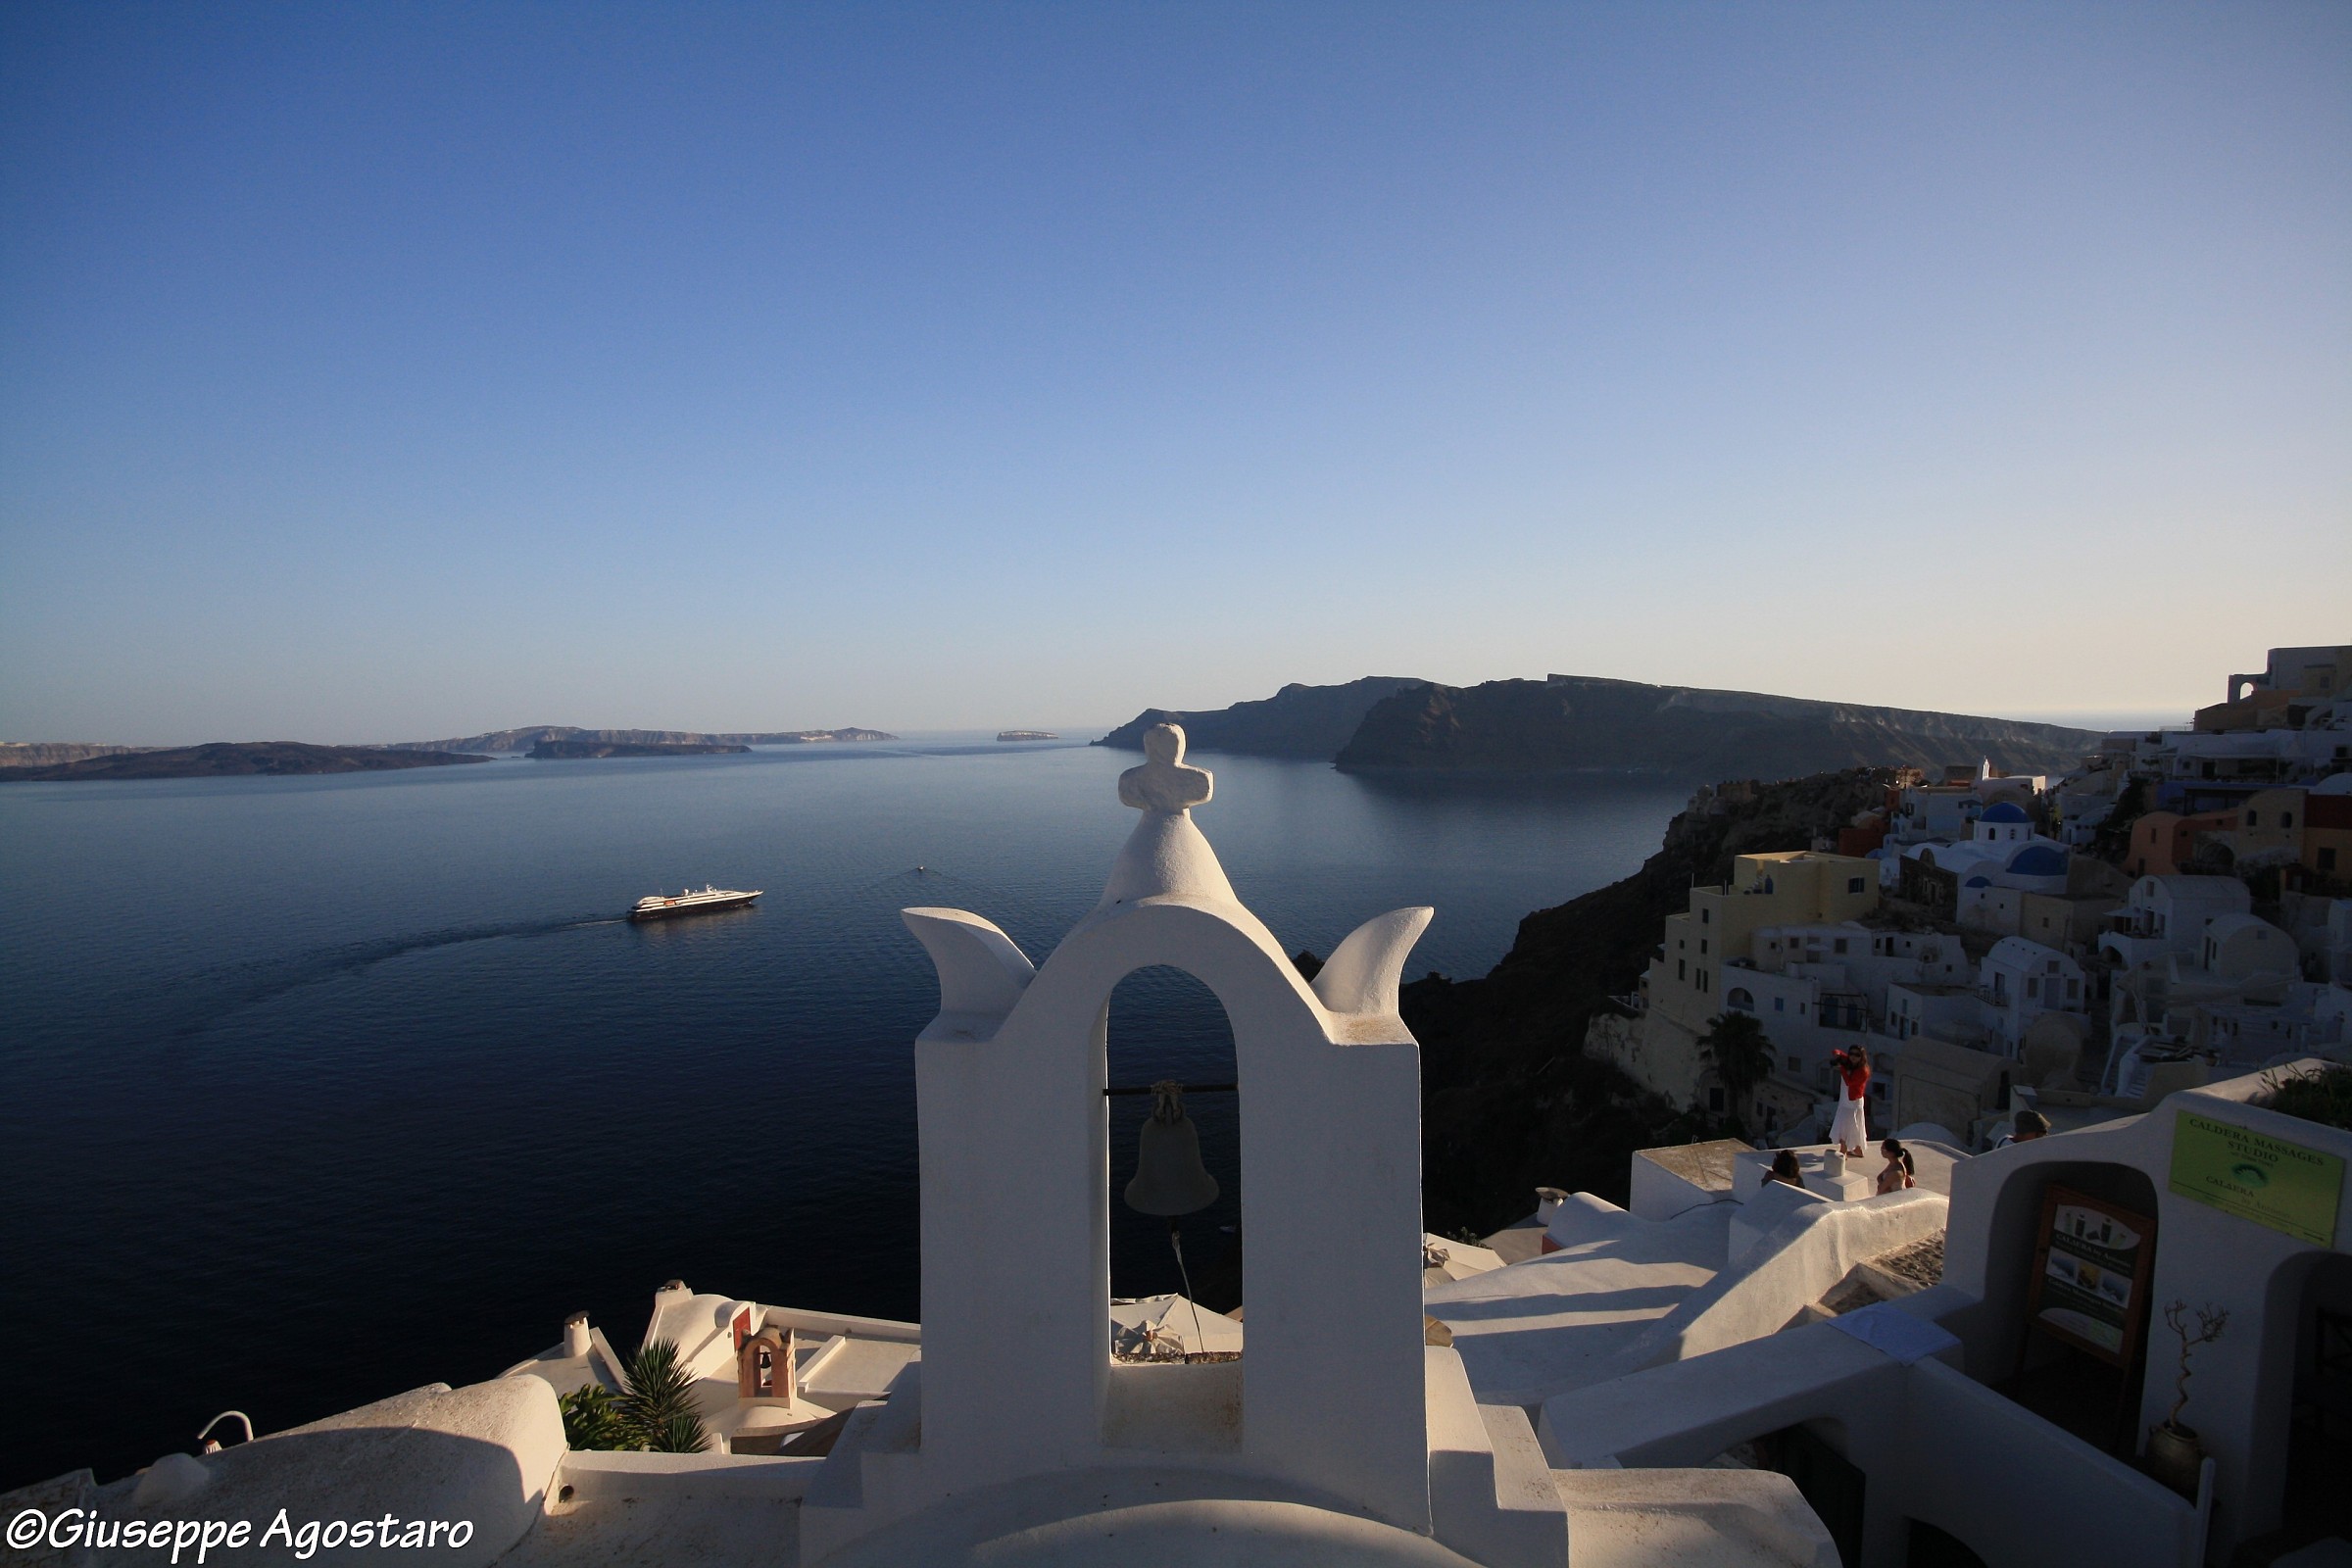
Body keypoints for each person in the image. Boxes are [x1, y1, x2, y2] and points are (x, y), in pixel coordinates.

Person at [1830, 1044, 1871, 1159]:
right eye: (1851, 1054)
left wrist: (1842, 1068)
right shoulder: (1849, 1062)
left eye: (1857, 1055)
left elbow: (1849, 1082)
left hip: (1853, 1101)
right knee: (1853, 1126)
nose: (1853, 1057)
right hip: (1846, 1099)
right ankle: (1857, 1150)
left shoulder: (1863, 1071)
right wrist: (1837, 1055)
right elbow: (1836, 1050)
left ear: (1862, 1057)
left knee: (1847, 1125)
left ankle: (1843, 1151)